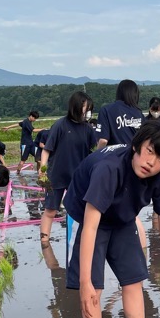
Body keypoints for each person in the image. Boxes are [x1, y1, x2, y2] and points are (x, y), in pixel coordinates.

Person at [63, 121, 160, 318]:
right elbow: (91, 227)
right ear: (136, 145)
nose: (151, 162)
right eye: (149, 151)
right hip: (86, 216)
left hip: (122, 219)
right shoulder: (109, 169)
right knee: (94, 288)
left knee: (133, 280)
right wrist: (85, 283)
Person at [39, 91, 106, 246]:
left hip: (78, 178)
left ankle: (81, 241)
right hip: (56, 176)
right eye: (86, 108)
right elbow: (47, 149)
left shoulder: (88, 129)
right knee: (50, 210)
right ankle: (44, 243)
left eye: (90, 109)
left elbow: (95, 151)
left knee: (80, 210)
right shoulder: (60, 125)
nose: (88, 112)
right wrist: (43, 171)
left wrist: (102, 146)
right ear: (76, 106)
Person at [97, 79, 143, 147]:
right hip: (134, 155)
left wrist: (98, 155)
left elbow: (103, 140)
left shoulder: (106, 110)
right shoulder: (139, 113)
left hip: (114, 155)